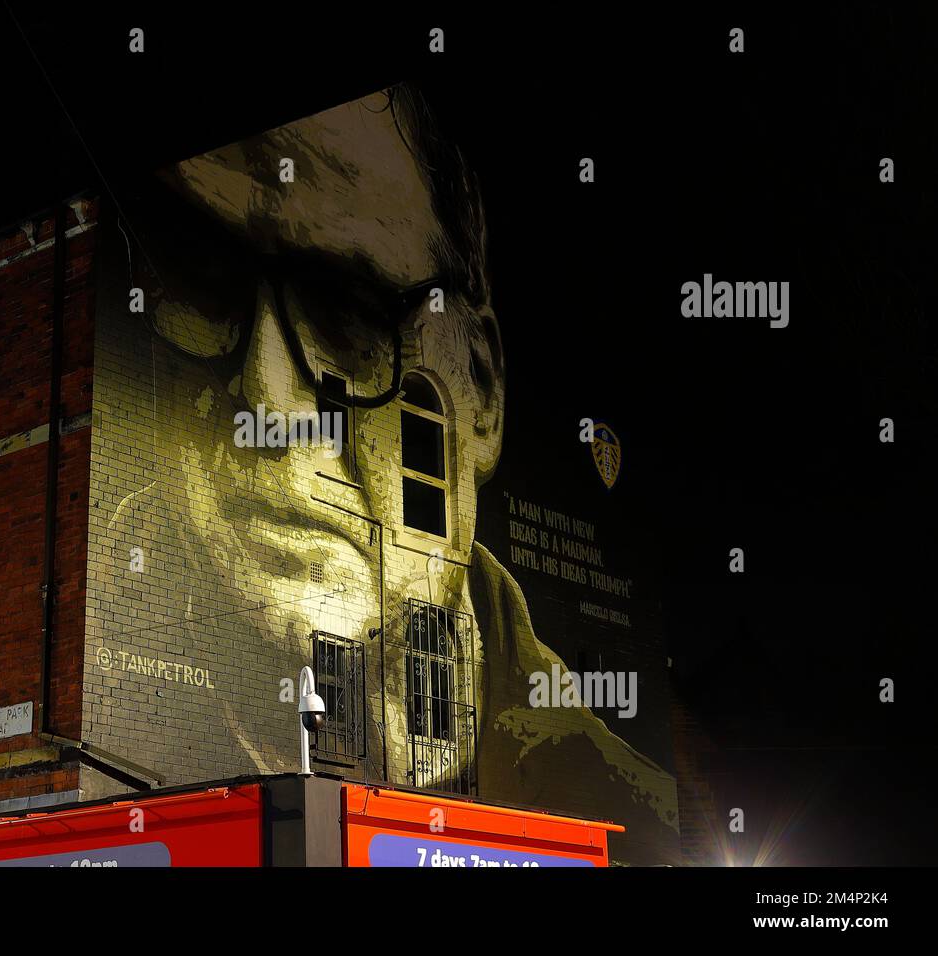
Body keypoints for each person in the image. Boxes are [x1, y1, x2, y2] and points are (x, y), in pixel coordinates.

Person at [90, 85, 679, 864]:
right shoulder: (95, 633)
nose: (267, 400)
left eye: (347, 306)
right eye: (199, 276)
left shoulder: (630, 816)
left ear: (482, 389)